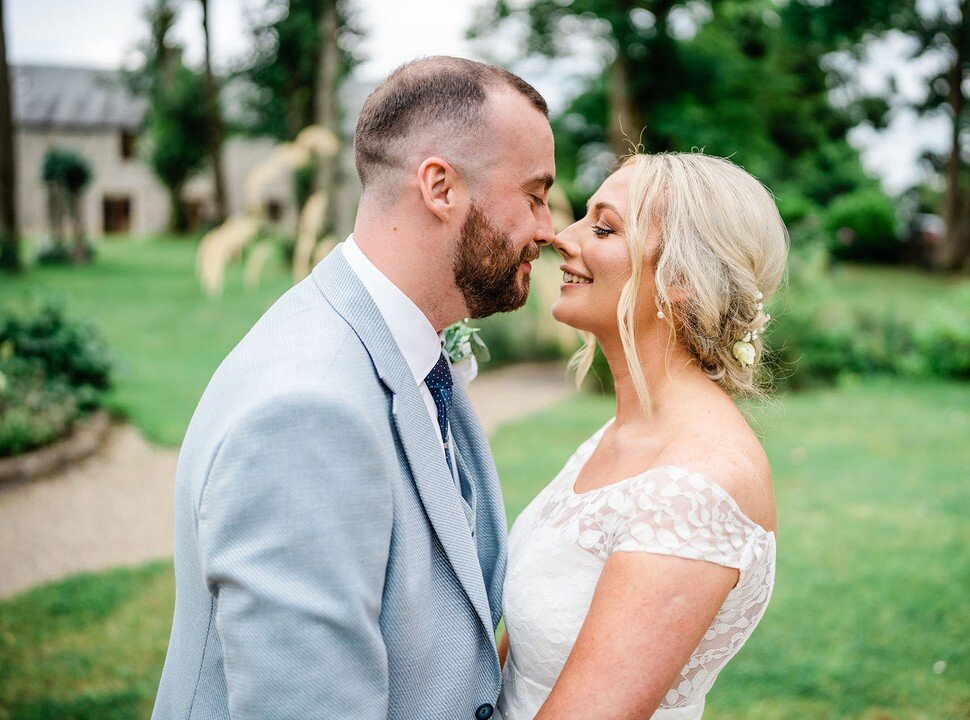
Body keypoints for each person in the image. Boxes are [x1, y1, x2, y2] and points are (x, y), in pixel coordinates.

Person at [151, 56, 555, 720]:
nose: (546, 228)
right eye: (534, 195)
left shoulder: (401, 350)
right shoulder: (308, 410)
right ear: (440, 187)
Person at [497, 152, 788, 719]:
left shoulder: (696, 488)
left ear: (681, 278)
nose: (561, 237)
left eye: (604, 228)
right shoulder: (618, 434)